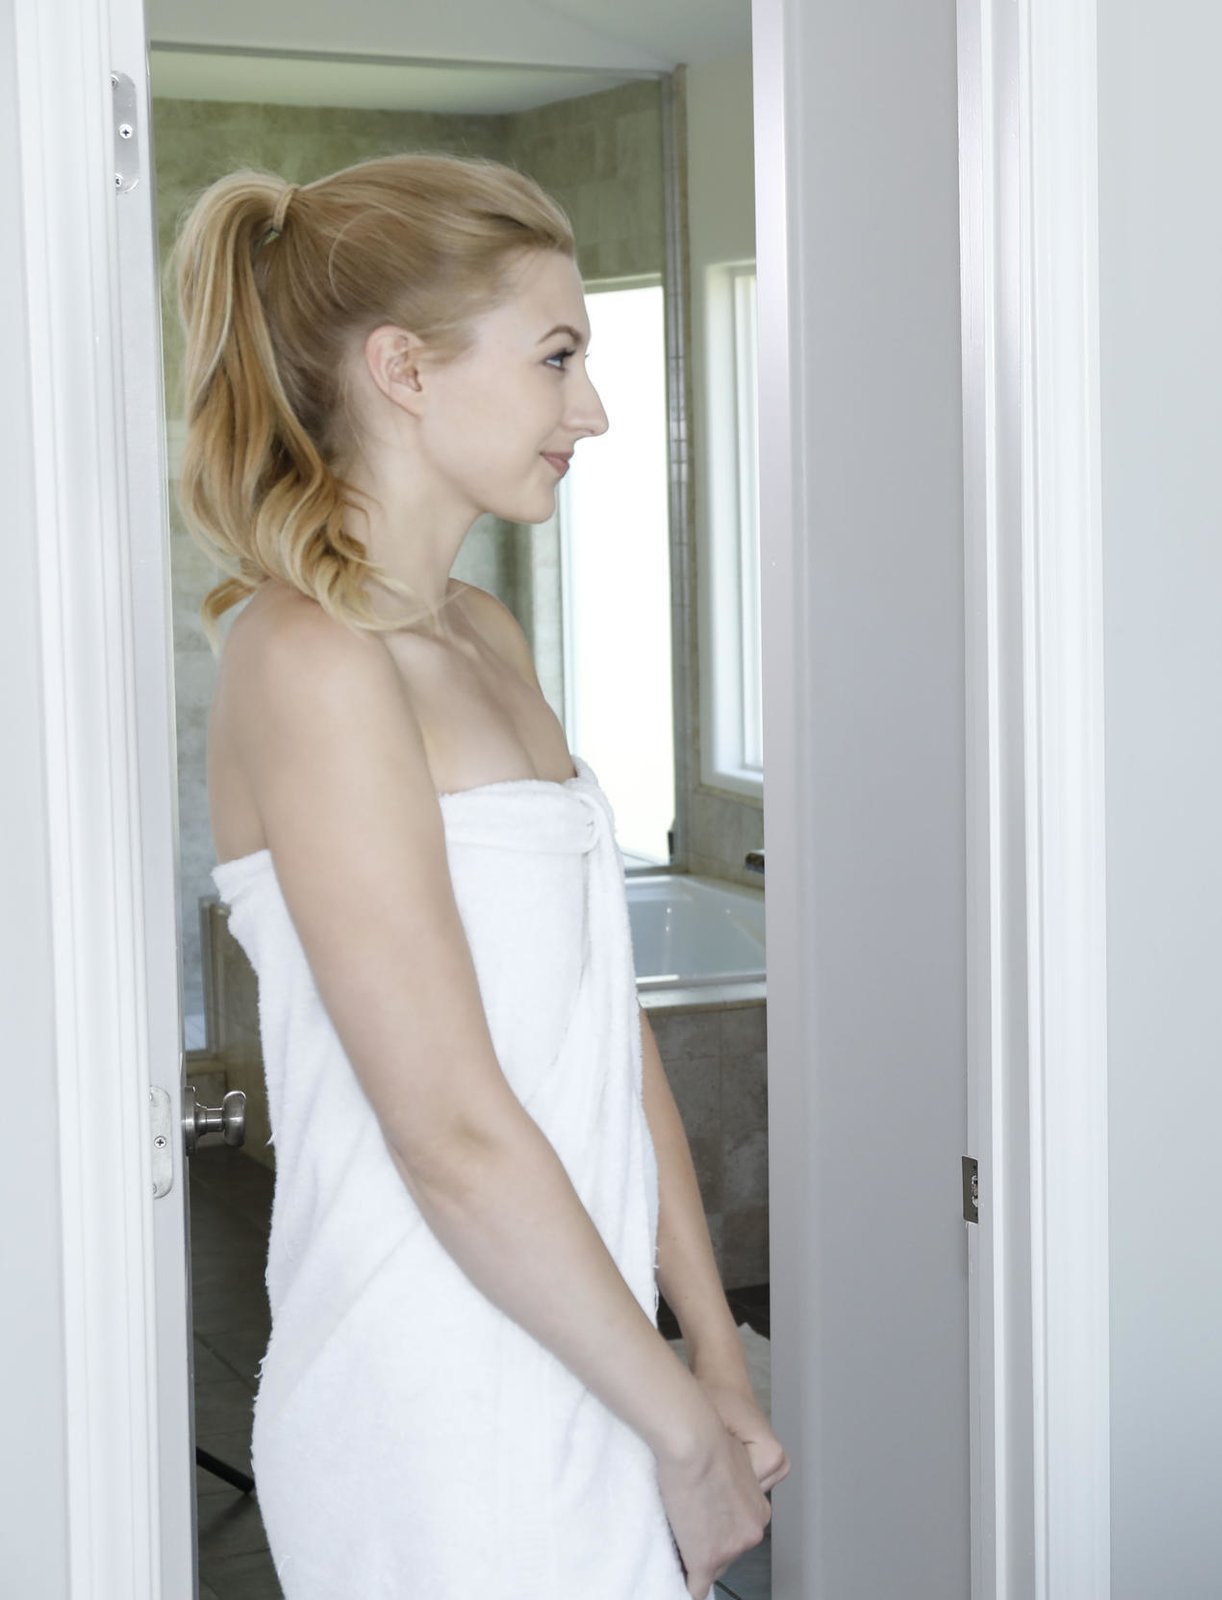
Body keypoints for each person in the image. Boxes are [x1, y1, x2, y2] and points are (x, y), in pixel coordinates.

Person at [176, 152, 783, 1599]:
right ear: (404, 368)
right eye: (557, 356)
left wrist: (710, 1351)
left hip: (600, 1361)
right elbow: (445, 1129)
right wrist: (677, 1426)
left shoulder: (486, 638)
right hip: (436, 1401)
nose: (595, 409)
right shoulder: (307, 660)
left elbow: (606, 1042)